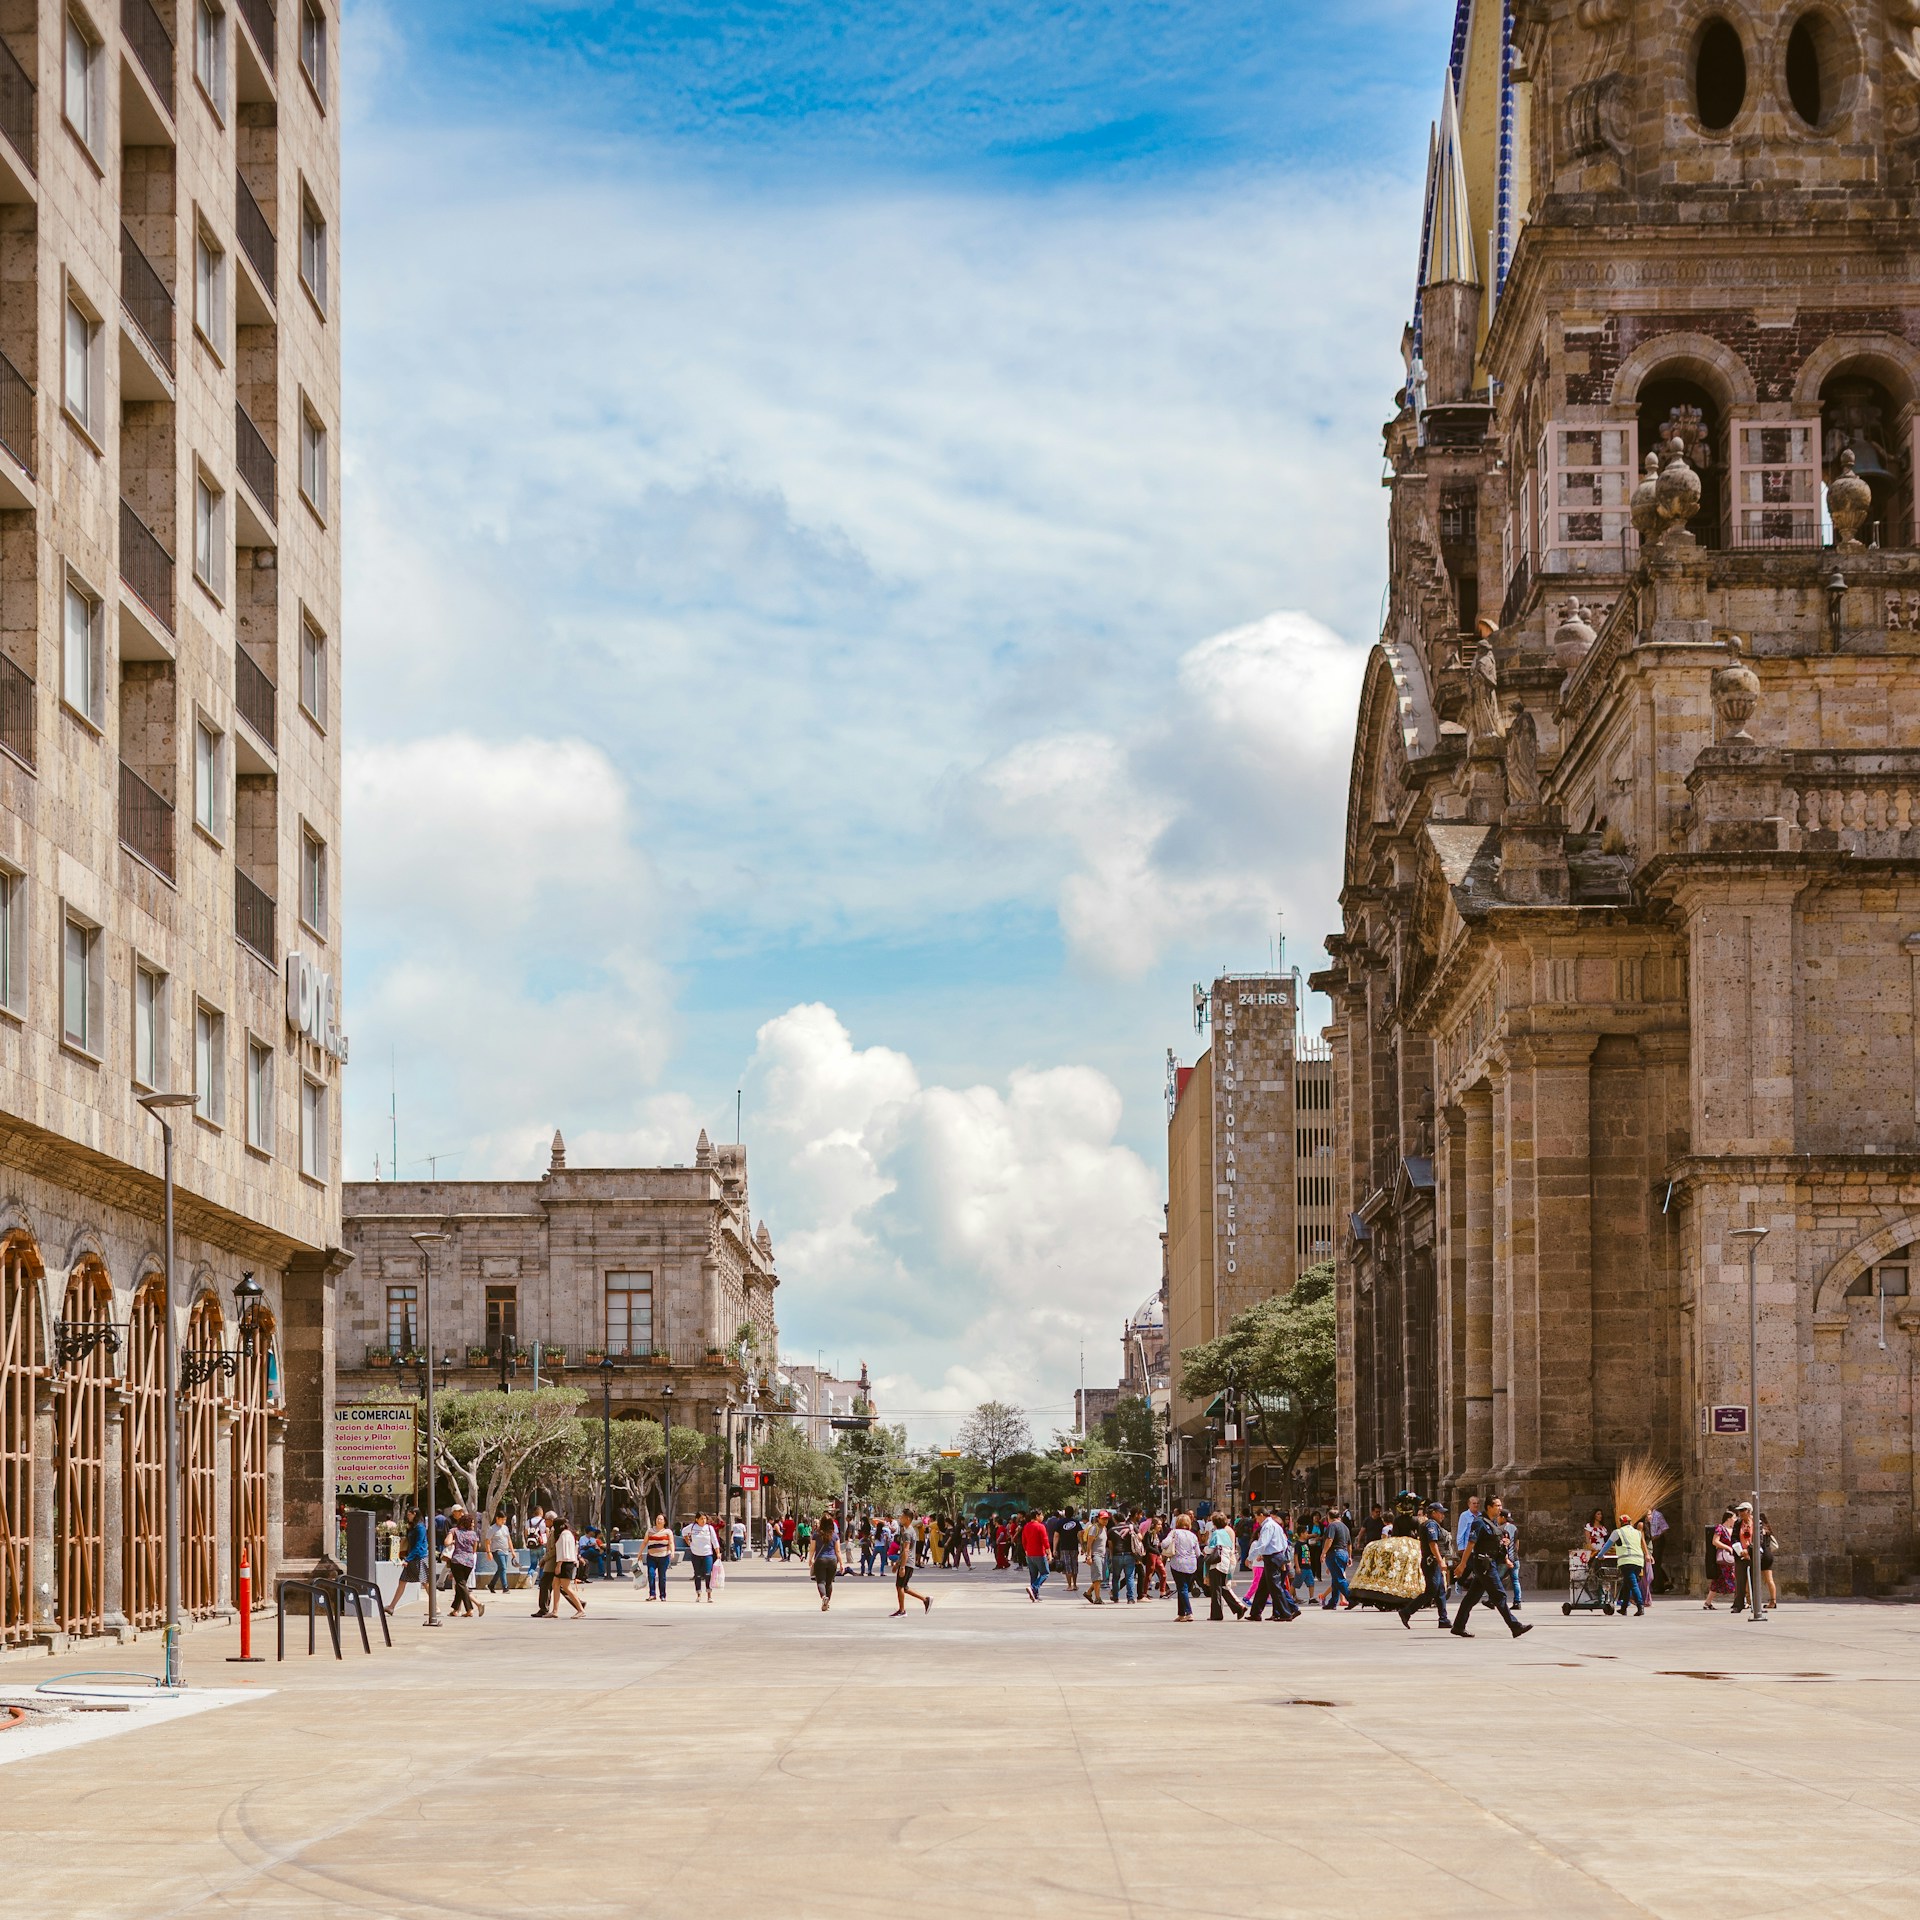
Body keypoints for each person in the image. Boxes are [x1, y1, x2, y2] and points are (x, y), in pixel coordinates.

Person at [1450, 1497, 1531, 1639]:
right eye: (1497, 1506)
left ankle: (1458, 1626)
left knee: (1472, 1597)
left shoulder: (1493, 1523)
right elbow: (1471, 1544)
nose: (1500, 1508)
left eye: (1500, 1505)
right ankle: (1515, 1626)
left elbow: (1493, 1543)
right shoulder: (1479, 1523)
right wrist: (1462, 1564)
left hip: (1490, 1562)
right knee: (1499, 1595)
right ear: (1489, 1507)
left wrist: (1504, 1548)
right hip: (1483, 1564)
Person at [1398, 1497, 1453, 1630]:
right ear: (1433, 1512)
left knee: (1440, 1591)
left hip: (1434, 1562)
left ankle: (1443, 1619)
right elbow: (1432, 1544)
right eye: (1440, 1512)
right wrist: (1440, 1561)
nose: (1443, 1515)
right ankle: (1407, 1612)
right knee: (1431, 1590)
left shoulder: (1435, 1525)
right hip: (1431, 1562)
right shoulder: (1430, 1525)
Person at [1246, 1506, 1297, 1622]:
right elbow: (1284, 1543)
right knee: (1263, 1587)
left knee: (1275, 1587)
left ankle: (1286, 1612)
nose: (1256, 1521)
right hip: (1276, 1556)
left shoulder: (1268, 1526)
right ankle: (1255, 1613)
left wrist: (1250, 1557)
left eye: (1257, 1518)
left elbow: (1262, 1544)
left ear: (1261, 1515)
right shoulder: (1275, 1525)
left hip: (1272, 1557)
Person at [1602, 1511, 1647, 1616]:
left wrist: (1600, 1555)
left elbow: (1607, 1545)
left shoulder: (1618, 1532)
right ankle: (1623, 1608)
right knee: (1627, 1585)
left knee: (1633, 1585)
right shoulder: (1637, 1532)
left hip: (1627, 1562)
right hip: (1639, 1561)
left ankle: (1640, 1606)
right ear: (1630, 1522)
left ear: (1620, 1523)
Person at [1204, 1513, 1246, 1619]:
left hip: (1217, 1564)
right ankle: (1238, 1607)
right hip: (1226, 1563)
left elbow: (1212, 1548)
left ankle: (1216, 1614)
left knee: (1215, 1589)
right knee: (1222, 1587)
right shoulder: (1226, 1534)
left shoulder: (1216, 1533)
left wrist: (1204, 1550)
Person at [445, 1508, 484, 1617]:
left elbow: (446, 1542)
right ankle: (455, 1610)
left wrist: (453, 1541)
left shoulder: (454, 1531)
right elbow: (474, 1549)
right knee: (460, 1585)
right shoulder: (473, 1534)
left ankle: (470, 1608)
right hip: (469, 1562)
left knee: (461, 1585)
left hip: (457, 1561)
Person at [892, 1509, 932, 1616]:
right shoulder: (910, 1531)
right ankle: (925, 1599)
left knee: (900, 1586)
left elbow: (906, 1550)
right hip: (907, 1562)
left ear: (908, 1519)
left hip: (907, 1562)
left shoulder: (907, 1532)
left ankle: (902, 1610)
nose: (900, 1518)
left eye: (902, 1516)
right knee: (903, 1587)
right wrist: (897, 1563)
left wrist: (902, 1567)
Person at [1164, 1511, 1202, 1622]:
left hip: (1178, 1563)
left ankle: (1189, 1612)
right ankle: (1181, 1614)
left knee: (1182, 1588)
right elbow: (1198, 1553)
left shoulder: (1174, 1532)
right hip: (1191, 1564)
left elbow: (1164, 1544)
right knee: (1183, 1589)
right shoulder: (1193, 1535)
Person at [392, 1507, 430, 1613]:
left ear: (414, 1514)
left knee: (425, 1583)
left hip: (418, 1558)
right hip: (413, 1558)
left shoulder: (420, 1527)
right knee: (403, 1581)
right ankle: (391, 1606)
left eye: (409, 1515)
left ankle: (435, 1607)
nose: (408, 1517)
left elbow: (418, 1546)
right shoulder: (413, 1527)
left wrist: (407, 1559)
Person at [550, 1517, 587, 1618]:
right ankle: (555, 1611)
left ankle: (580, 1609)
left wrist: (558, 1565)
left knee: (566, 1587)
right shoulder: (569, 1534)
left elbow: (563, 1551)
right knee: (555, 1585)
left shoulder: (564, 1535)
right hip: (567, 1562)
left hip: (565, 1563)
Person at [1320, 1506, 1353, 1610]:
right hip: (1343, 1553)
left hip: (1335, 1553)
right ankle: (1333, 1602)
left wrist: (1324, 1553)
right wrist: (1350, 1556)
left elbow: (1329, 1539)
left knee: (1339, 1579)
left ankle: (1351, 1598)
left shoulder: (1332, 1526)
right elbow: (1349, 1544)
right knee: (1335, 1579)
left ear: (1329, 1517)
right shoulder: (1345, 1527)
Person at [685, 1512, 721, 1601]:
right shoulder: (692, 1527)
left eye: (705, 1519)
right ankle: (698, 1594)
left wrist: (718, 1552)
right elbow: (684, 1533)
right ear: (697, 1519)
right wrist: (688, 1542)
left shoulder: (709, 1528)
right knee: (697, 1575)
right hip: (696, 1554)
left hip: (707, 1554)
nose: (703, 1520)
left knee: (708, 1574)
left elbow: (714, 1541)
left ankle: (709, 1594)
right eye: (701, 1519)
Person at [1705, 1507, 1736, 1609]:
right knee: (1733, 1578)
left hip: (1731, 1558)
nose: (1735, 1520)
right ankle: (1740, 1600)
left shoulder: (1733, 1529)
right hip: (1724, 1558)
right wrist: (1727, 1547)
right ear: (1728, 1518)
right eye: (1734, 1517)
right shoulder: (1720, 1528)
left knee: (1718, 1580)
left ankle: (1708, 1602)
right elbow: (1715, 1541)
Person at [1021, 1509, 1053, 1602]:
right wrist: (1049, 1553)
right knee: (1045, 1573)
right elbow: (1045, 1541)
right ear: (1037, 1516)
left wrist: (1026, 1551)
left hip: (1029, 1554)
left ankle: (1035, 1595)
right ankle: (1034, 1588)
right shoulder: (1040, 1527)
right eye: (1041, 1515)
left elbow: (1024, 1541)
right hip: (1039, 1553)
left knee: (1033, 1575)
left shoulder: (1026, 1526)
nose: (1042, 1517)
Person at [532, 1509, 559, 1617]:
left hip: (551, 1563)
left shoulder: (555, 1531)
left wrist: (544, 1559)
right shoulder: (552, 1530)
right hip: (551, 1562)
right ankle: (579, 1603)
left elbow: (553, 1549)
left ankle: (543, 1608)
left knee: (544, 1585)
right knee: (560, 1587)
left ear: (551, 1520)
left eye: (546, 1520)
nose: (545, 1522)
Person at [1108, 1510, 1139, 1604]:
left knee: (1116, 1577)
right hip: (1129, 1554)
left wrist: (1111, 1557)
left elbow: (1110, 1546)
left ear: (1115, 1520)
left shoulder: (1111, 1530)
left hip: (1117, 1555)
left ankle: (1115, 1597)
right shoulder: (1131, 1527)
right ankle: (1130, 1598)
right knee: (1129, 1577)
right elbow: (1140, 1537)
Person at [812, 1511, 840, 1611]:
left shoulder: (816, 1534)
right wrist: (841, 1563)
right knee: (829, 1583)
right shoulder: (835, 1535)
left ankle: (824, 1597)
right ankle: (826, 1604)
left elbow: (812, 1548)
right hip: (832, 1560)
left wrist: (810, 1559)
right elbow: (838, 1550)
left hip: (820, 1560)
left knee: (820, 1581)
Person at [643, 1513, 674, 1600]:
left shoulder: (668, 1532)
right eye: (657, 1519)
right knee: (651, 1574)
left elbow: (671, 1542)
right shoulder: (650, 1531)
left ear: (664, 1521)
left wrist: (672, 1552)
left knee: (662, 1576)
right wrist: (640, 1553)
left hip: (664, 1557)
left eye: (661, 1519)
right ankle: (652, 1594)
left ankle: (663, 1595)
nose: (658, 1520)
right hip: (651, 1557)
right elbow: (645, 1542)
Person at [486, 1513, 515, 1596]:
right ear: (497, 1518)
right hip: (497, 1551)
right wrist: (488, 1552)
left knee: (501, 1569)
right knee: (503, 1567)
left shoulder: (505, 1528)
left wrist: (512, 1551)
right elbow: (487, 1541)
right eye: (502, 1520)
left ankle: (491, 1585)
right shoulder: (492, 1529)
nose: (504, 1521)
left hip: (505, 1551)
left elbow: (509, 1540)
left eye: (505, 1520)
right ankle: (505, 1587)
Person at [1056, 1506, 1082, 1592]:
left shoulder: (1060, 1522)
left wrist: (1054, 1549)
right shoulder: (1076, 1522)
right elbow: (1080, 1535)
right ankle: (1074, 1584)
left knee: (1067, 1566)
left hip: (1064, 1547)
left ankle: (1069, 1585)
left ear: (1065, 1513)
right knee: (1074, 1565)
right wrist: (1083, 1547)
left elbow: (1056, 1536)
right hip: (1074, 1547)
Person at [1083, 1512, 1108, 1604]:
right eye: (1103, 1518)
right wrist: (1088, 1556)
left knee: (1100, 1578)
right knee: (1097, 1577)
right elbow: (1089, 1544)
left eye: (1107, 1519)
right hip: (1095, 1555)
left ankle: (1088, 1592)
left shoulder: (1104, 1528)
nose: (1105, 1520)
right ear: (1098, 1519)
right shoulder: (1094, 1528)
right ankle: (1098, 1598)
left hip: (1102, 1556)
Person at [1759, 1512, 1779, 1609]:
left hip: (1761, 1555)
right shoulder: (1767, 1530)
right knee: (1770, 1579)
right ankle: (1773, 1601)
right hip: (1768, 1555)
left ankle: (1750, 1601)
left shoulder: (1759, 1530)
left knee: (1750, 1578)